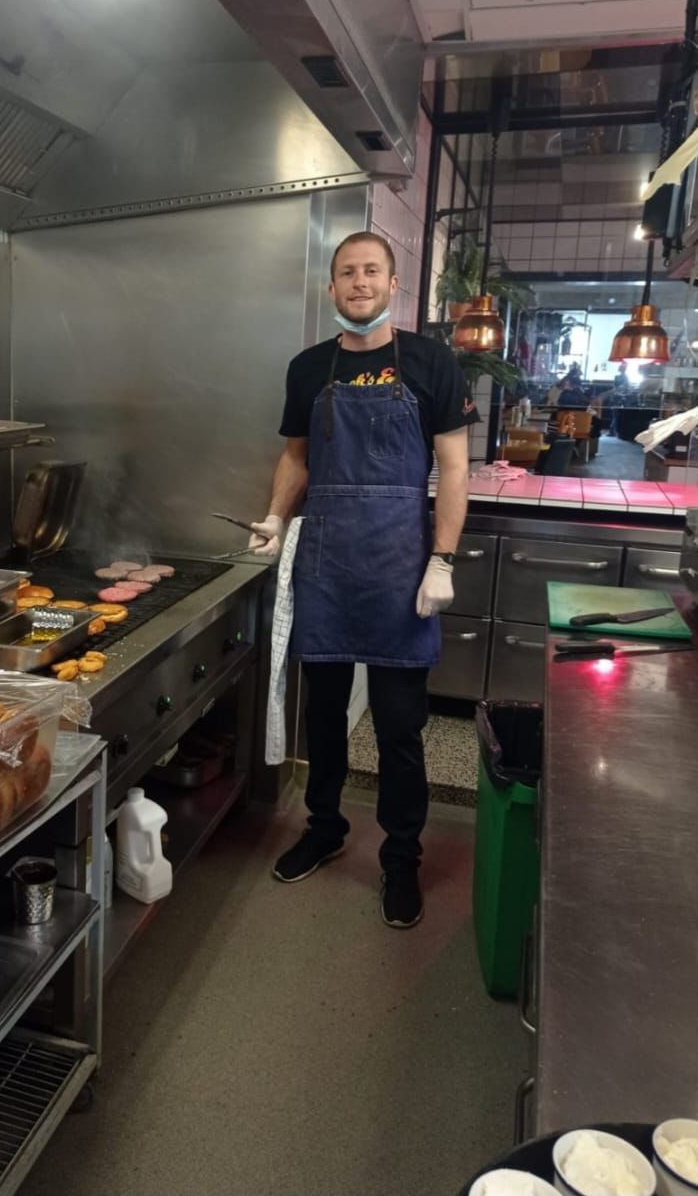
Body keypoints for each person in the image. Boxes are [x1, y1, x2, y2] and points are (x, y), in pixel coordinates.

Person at [249, 231, 473, 929]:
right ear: (332, 288)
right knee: (323, 711)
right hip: (328, 561)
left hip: (401, 563)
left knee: (402, 725)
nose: (359, 283)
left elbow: (456, 469)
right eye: (347, 273)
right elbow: (296, 457)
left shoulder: (432, 362)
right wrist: (275, 517)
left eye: (371, 271)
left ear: (393, 283)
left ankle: (400, 858)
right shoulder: (308, 367)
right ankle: (323, 827)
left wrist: (443, 558)